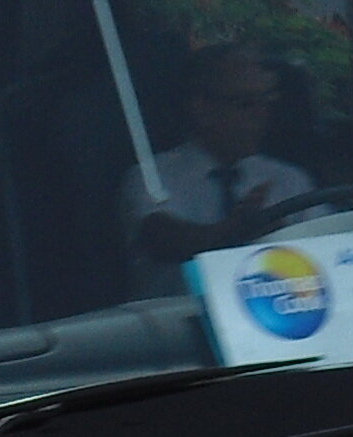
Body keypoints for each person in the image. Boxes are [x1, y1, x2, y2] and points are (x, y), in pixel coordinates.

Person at [123, 43, 315, 286]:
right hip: (178, 319)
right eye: (245, 104)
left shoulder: (289, 180)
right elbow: (161, 238)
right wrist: (230, 233)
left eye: (267, 101)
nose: (262, 114)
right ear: (201, 109)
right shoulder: (153, 177)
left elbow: (329, 238)